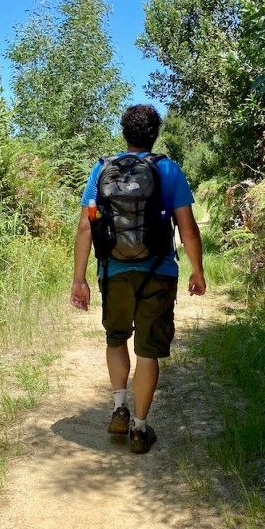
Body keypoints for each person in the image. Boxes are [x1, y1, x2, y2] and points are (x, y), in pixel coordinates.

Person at [70, 104, 206, 453]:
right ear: (155, 133)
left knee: (116, 338)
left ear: (125, 133)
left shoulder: (101, 169)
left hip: (113, 270)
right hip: (158, 271)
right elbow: (188, 229)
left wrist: (79, 279)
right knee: (148, 352)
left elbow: (86, 224)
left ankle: (118, 408)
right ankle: (140, 429)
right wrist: (198, 271)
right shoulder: (168, 169)